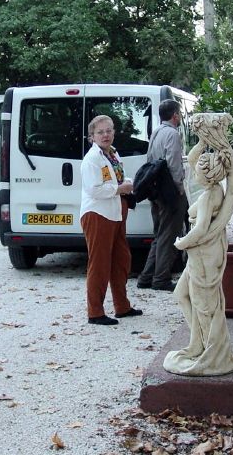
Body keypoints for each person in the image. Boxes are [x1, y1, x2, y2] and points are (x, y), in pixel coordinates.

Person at [164, 114, 233, 376]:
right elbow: (196, 159)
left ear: (205, 176)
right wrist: (203, 140)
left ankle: (212, 350)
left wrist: (180, 244)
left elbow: (199, 229)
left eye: (197, 170)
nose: (193, 169)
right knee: (181, 295)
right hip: (201, 252)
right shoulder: (212, 187)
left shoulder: (210, 195)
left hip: (204, 251)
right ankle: (198, 342)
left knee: (205, 304)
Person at [80, 115, 141, 325]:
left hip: (114, 214)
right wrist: (120, 189)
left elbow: (118, 179)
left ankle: (122, 306)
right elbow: (94, 190)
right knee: (99, 264)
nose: (105, 135)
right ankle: (95, 312)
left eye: (109, 130)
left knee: (121, 260)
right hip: (98, 214)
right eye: (100, 132)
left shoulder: (113, 154)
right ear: (92, 137)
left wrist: (126, 185)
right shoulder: (92, 159)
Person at [137, 99, 187, 291]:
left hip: (156, 189)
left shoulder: (156, 132)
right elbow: (174, 163)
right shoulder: (173, 134)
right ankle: (161, 279)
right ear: (175, 115)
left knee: (159, 234)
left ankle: (146, 277)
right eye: (179, 114)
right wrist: (180, 188)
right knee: (168, 235)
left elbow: (150, 159)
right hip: (169, 191)